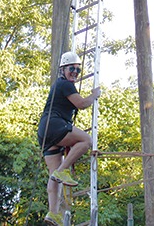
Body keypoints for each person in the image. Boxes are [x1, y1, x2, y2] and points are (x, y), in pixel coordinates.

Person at [37, 51, 101, 226]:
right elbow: (81, 104)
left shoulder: (60, 85)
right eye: (71, 68)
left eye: (77, 70)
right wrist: (94, 95)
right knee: (86, 141)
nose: (74, 72)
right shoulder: (65, 84)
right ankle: (63, 170)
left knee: (53, 175)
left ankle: (53, 213)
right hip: (54, 125)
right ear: (63, 69)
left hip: (45, 131)